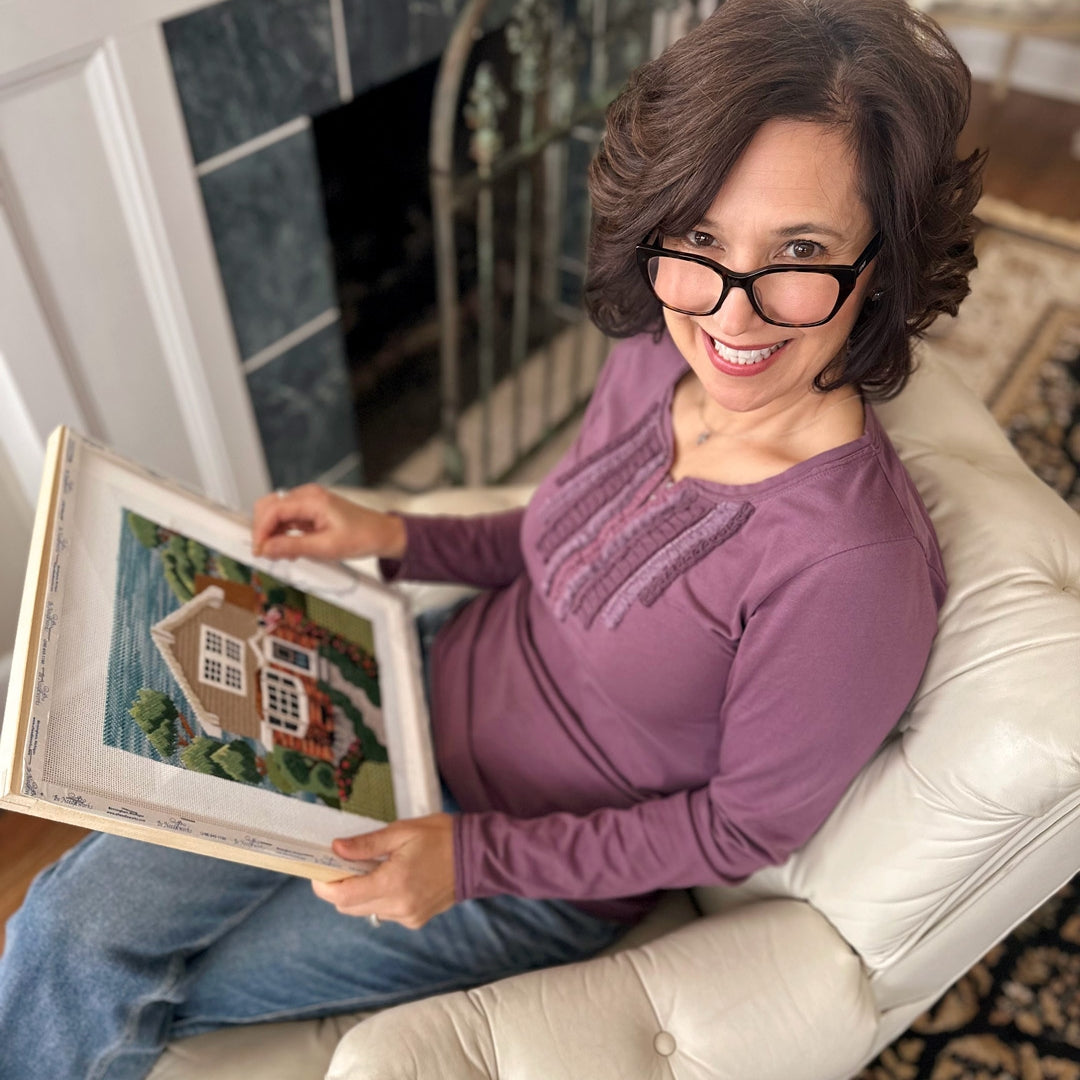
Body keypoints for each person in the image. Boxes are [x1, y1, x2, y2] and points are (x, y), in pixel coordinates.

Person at [0, 0, 985, 1076]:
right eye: (701, 239)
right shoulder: (661, 350)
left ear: (882, 262)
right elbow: (562, 541)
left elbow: (744, 828)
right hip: (393, 691)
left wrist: (470, 859)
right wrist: (393, 535)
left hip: (531, 874)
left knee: (132, 977)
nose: (730, 315)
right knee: (69, 930)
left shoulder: (853, 568)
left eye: (800, 251)